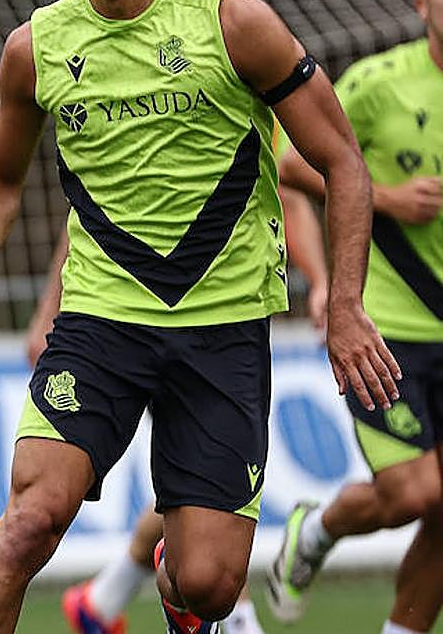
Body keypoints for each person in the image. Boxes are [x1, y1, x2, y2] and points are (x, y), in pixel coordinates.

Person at [0, 0, 397, 634]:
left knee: (208, 583)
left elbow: (343, 162)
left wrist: (344, 303)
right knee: (31, 520)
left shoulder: (233, 21)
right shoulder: (35, 48)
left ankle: (182, 608)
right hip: (100, 322)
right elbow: (1, 174)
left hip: (221, 326)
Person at [47, 139, 330, 634]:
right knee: (206, 485)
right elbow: (92, 211)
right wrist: (49, 313)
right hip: (137, 326)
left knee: (192, 490)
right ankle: (236, 621)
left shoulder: (248, 85)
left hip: (217, 326)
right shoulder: (132, 98)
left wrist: (321, 279)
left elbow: (287, 190)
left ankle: (102, 599)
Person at [267, 0, 443, 634]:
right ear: (421, 3)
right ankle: (317, 531)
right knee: (416, 492)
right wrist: (390, 200)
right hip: (392, 325)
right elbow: (291, 162)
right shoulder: (379, 83)